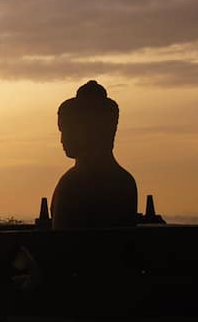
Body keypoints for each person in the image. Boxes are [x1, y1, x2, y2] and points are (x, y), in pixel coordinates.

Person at [50, 80, 138, 229]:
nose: (62, 140)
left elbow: (62, 238)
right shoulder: (126, 182)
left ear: (86, 131)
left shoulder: (72, 184)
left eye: (66, 131)